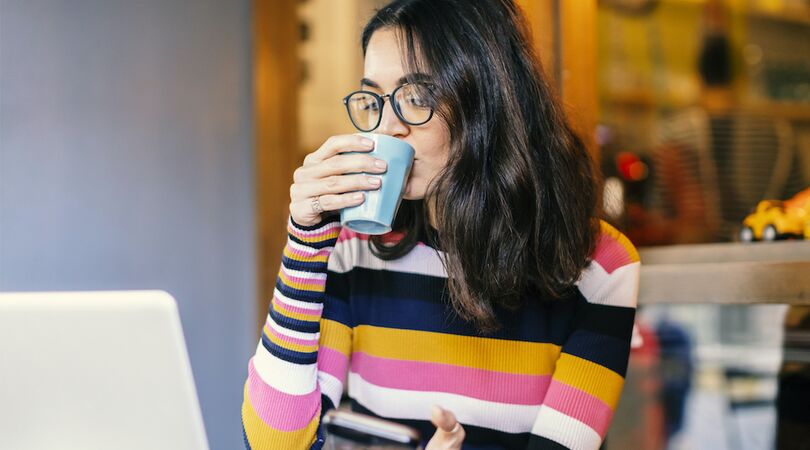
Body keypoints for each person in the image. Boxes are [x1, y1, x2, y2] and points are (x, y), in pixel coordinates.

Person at [241, 1, 641, 449]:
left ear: (486, 101)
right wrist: (304, 243)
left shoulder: (599, 266)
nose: (387, 127)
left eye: (418, 97)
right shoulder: (351, 244)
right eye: (374, 99)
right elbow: (274, 443)